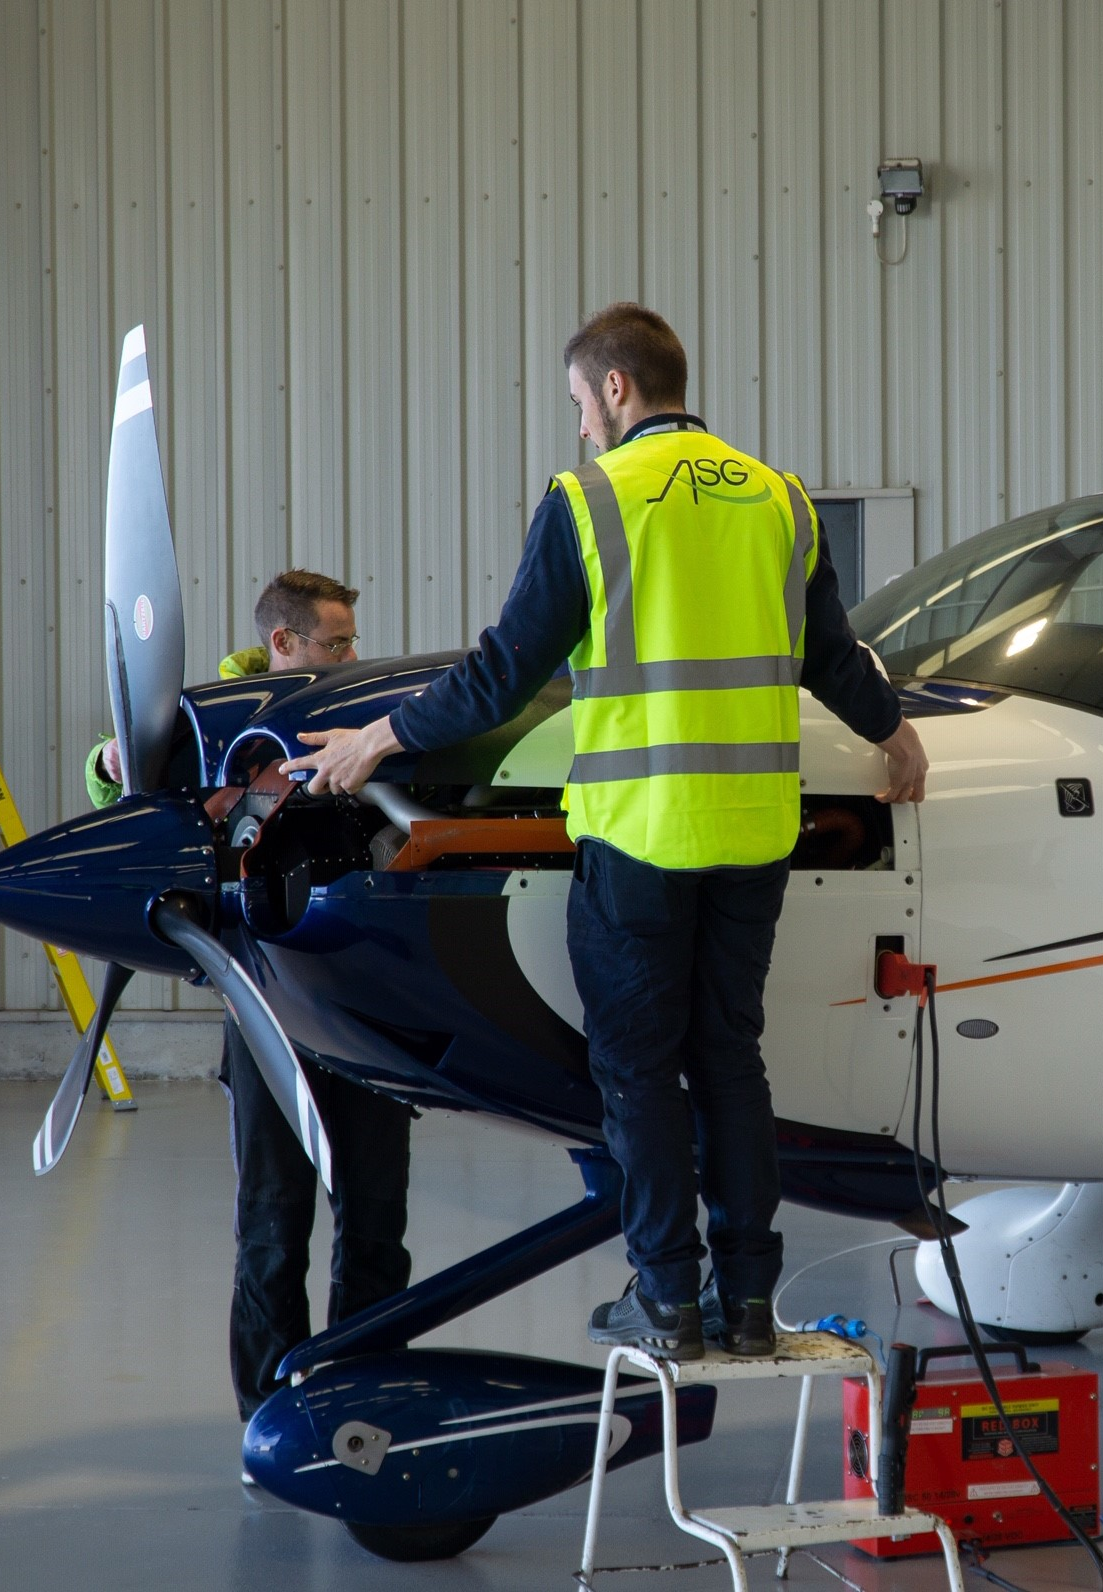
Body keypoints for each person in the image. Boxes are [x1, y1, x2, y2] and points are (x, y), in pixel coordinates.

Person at [283, 303, 928, 1361]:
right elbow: (831, 654)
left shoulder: (590, 498)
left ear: (616, 389)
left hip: (639, 835)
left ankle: (669, 1297)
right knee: (730, 1059)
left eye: (581, 403)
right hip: (755, 829)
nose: (581, 425)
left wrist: (380, 738)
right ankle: (751, 1303)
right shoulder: (777, 496)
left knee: (635, 1068)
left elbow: (503, 674)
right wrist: (893, 733)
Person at [88, 570, 414, 1436]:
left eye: (352, 642)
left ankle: (365, 1394)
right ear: (283, 645)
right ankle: (269, 1413)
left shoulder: (358, 711)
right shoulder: (210, 720)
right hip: (269, 1008)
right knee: (274, 1227)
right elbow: (118, 782)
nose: (352, 657)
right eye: (336, 644)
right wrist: (111, 757)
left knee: (377, 1223)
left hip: (368, 1004)